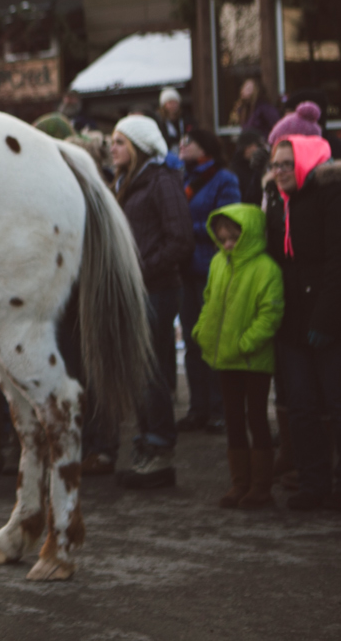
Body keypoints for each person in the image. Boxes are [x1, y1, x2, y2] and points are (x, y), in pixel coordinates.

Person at [265, 133, 341, 510]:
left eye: (285, 164)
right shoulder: (279, 202)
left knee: (340, 401)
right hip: (294, 319)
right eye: (274, 164)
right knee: (301, 403)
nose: (278, 171)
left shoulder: (338, 194)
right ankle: (313, 483)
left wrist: (325, 320)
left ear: (305, 161)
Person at [111, 114, 193, 489]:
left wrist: (140, 270)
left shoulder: (161, 181)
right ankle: (146, 446)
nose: (113, 147)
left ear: (141, 147)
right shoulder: (127, 182)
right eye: (113, 140)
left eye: (121, 141)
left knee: (154, 368)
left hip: (157, 288)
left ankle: (160, 452)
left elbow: (180, 239)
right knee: (139, 370)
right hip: (137, 289)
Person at [194, 206, 284, 509]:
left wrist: (246, 343)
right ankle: (240, 483)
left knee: (256, 417)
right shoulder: (219, 263)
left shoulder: (265, 268)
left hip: (251, 359)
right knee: (233, 419)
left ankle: (261, 486)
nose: (227, 244)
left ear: (248, 237)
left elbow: (270, 314)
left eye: (233, 238)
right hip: (226, 357)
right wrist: (201, 330)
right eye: (222, 239)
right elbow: (209, 300)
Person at [178, 127, 241, 433]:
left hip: (212, 270)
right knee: (192, 342)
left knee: (213, 340)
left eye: (188, 141)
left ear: (204, 147)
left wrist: (186, 230)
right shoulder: (185, 179)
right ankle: (197, 408)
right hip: (186, 271)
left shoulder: (224, 179)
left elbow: (228, 222)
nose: (181, 146)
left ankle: (221, 409)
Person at [229, 129, 270, 206]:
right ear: (246, 148)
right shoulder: (233, 173)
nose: (261, 149)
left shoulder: (261, 167)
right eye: (258, 145)